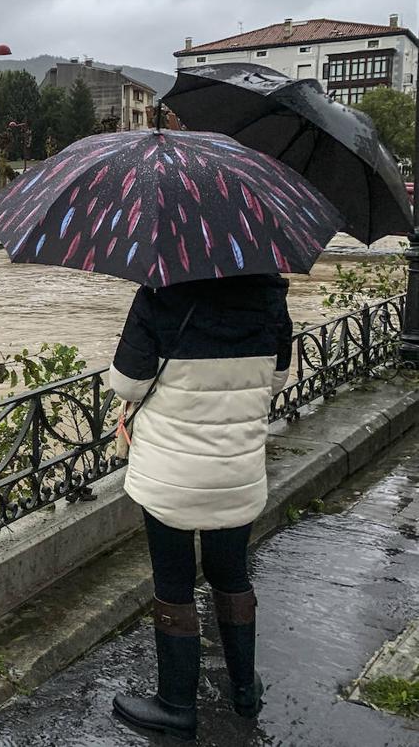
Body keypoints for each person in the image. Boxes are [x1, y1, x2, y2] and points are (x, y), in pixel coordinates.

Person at [108, 273, 292, 741]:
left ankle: (175, 705)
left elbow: (129, 384)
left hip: (172, 471)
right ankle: (245, 689)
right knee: (231, 574)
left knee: (174, 583)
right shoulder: (271, 294)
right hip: (237, 468)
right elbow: (276, 379)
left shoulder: (159, 294)